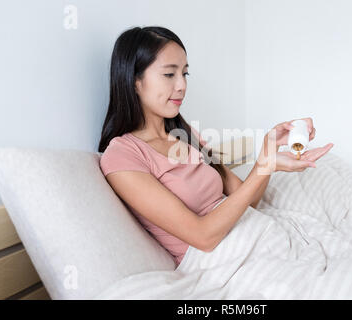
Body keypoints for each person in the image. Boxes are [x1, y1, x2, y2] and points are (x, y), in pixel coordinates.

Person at [98, 26, 334, 268]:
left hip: (260, 235)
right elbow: (203, 237)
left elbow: (247, 200)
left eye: (185, 74)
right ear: (134, 80)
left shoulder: (185, 135)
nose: (181, 86)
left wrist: (268, 154)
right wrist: (265, 165)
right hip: (221, 263)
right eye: (169, 74)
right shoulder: (122, 156)